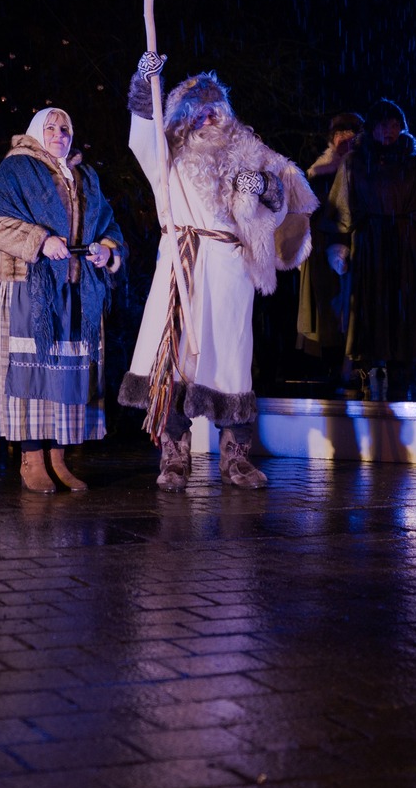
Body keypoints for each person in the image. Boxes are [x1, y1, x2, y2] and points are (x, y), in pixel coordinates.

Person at [117, 58, 315, 491]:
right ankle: (174, 455)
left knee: (231, 359)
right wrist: (145, 83)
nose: (207, 118)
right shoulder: (169, 154)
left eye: (214, 110)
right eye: (197, 111)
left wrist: (262, 186)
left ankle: (236, 455)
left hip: (229, 268)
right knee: (175, 359)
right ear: (184, 117)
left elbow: (283, 198)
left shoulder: (250, 150)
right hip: (182, 265)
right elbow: (142, 132)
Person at [0, 107, 124, 493]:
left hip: (76, 288)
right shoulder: (17, 168)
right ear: (36, 132)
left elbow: (109, 223)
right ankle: (31, 458)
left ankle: (59, 458)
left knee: (67, 375)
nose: (59, 133)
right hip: (31, 285)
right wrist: (39, 240)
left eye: (65, 128)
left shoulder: (83, 174)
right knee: (33, 374)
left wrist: (107, 250)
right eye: (51, 127)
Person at [327, 99, 416, 400]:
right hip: (370, 244)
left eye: (395, 125)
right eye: (384, 125)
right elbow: (341, 205)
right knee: (372, 305)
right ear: (372, 128)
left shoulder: (414, 163)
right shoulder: (355, 163)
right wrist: (340, 243)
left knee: (408, 307)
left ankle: (404, 374)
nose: (389, 130)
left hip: (407, 244)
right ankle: (370, 369)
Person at [296, 112, 361, 378]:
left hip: (355, 240)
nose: (344, 140)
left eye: (350, 135)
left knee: (353, 304)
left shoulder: (361, 168)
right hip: (323, 243)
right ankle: (332, 367)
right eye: (339, 135)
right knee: (327, 307)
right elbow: (307, 208)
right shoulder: (318, 171)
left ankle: (352, 365)